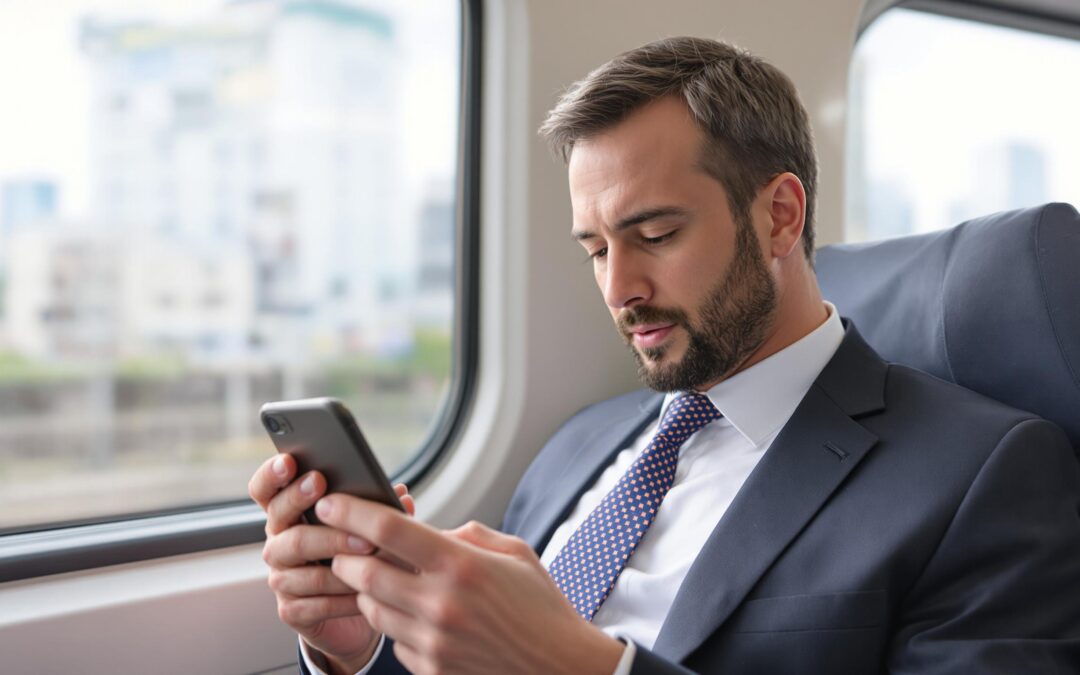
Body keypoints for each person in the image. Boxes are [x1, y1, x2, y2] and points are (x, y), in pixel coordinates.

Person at [247, 37, 1080, 674]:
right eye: (596, 249)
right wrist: (363, 648)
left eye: (655, 234)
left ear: (780, 218)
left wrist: (588, 667)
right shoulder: (579, 441)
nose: (620, 288)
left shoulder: (986, 474)